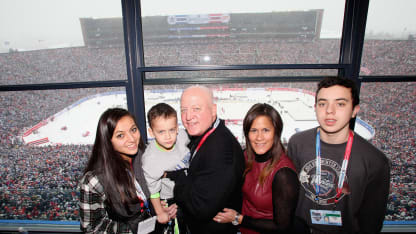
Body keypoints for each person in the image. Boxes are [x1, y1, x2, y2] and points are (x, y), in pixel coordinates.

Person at [287, 77, 391, 234]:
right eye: (323, 103)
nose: (330, 110)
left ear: (355, 110)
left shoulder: (375, 161)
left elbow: (371, 220)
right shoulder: (297, 143)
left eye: (340, 104)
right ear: (315, 107)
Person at [78, 108, 176, 233]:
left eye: (133, 130)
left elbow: (165, 189)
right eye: (120, 135)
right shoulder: (94, 181)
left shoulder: (149, 157)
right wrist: (133, 230)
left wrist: (166, 206)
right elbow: (92, 228)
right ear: (108, 141)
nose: (131, 139)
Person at [213, 103, 304, 234]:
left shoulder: (284, 174)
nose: (259, 137)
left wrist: (238, 218)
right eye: (253, 130)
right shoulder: (245, 157)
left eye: (266, 130)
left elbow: (282, 227)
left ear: (276, 132)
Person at [167, 85, 245, 234]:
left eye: (196, 109)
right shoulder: (204, 134)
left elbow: (200, 207)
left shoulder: (222, 149)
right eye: (184, 110)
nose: (188, 116)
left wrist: (179, 180)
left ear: (213, 110)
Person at [142, 103, 191, 234]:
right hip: (170, 198)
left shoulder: (182, 136)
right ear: (151, 132)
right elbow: (153, 191)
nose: (168, 136)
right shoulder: (151, 160)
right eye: (161, 131)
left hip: (189, 192)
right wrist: (160, 212)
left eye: (171, 130)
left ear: (177, 128)